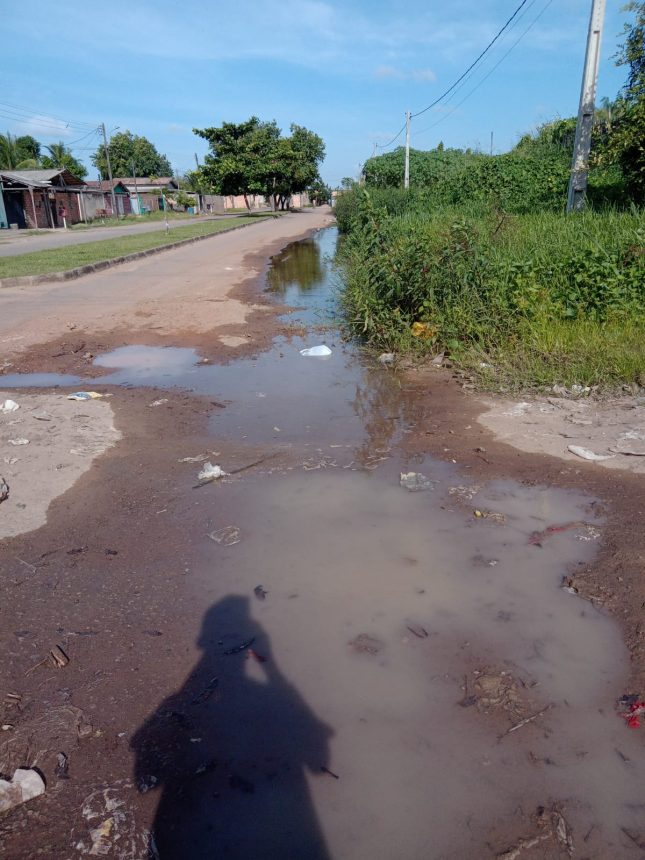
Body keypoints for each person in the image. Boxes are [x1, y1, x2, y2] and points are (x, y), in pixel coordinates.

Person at [132, 595, 333, 859]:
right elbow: (318, 758)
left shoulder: (176, 701)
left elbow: (143, 776)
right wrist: (274, 673)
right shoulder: (272, 698)